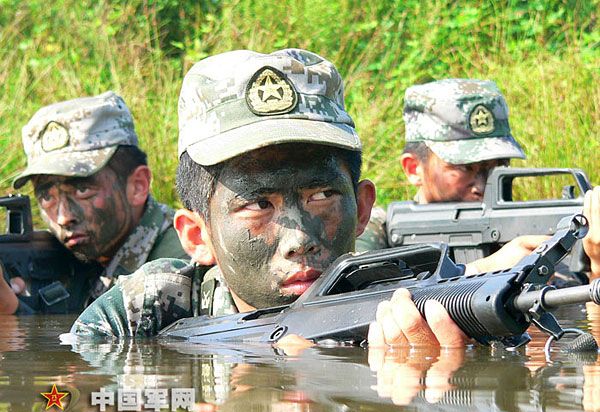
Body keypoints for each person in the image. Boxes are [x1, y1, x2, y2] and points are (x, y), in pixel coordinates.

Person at [70, 49, 542, 348]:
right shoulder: (146, 312)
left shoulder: (424, 305)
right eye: (258, 204)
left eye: (320, 195)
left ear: (360, 210)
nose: (299, 238)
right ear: (198, 236)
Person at [0, 92, 189, 315]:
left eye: (82, 190)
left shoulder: (180, 264)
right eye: (47, 196)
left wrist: (12, 312)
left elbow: (116, 342)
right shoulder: (84, 258)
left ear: (137, 186)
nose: (63, 217)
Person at [356, 78, 526, 252]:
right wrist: (484, 269)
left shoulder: (520, 226)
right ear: (413, 168)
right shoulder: (373, 229)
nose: (482, 186)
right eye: (465, 167)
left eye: (498, 167)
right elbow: (360, 278)